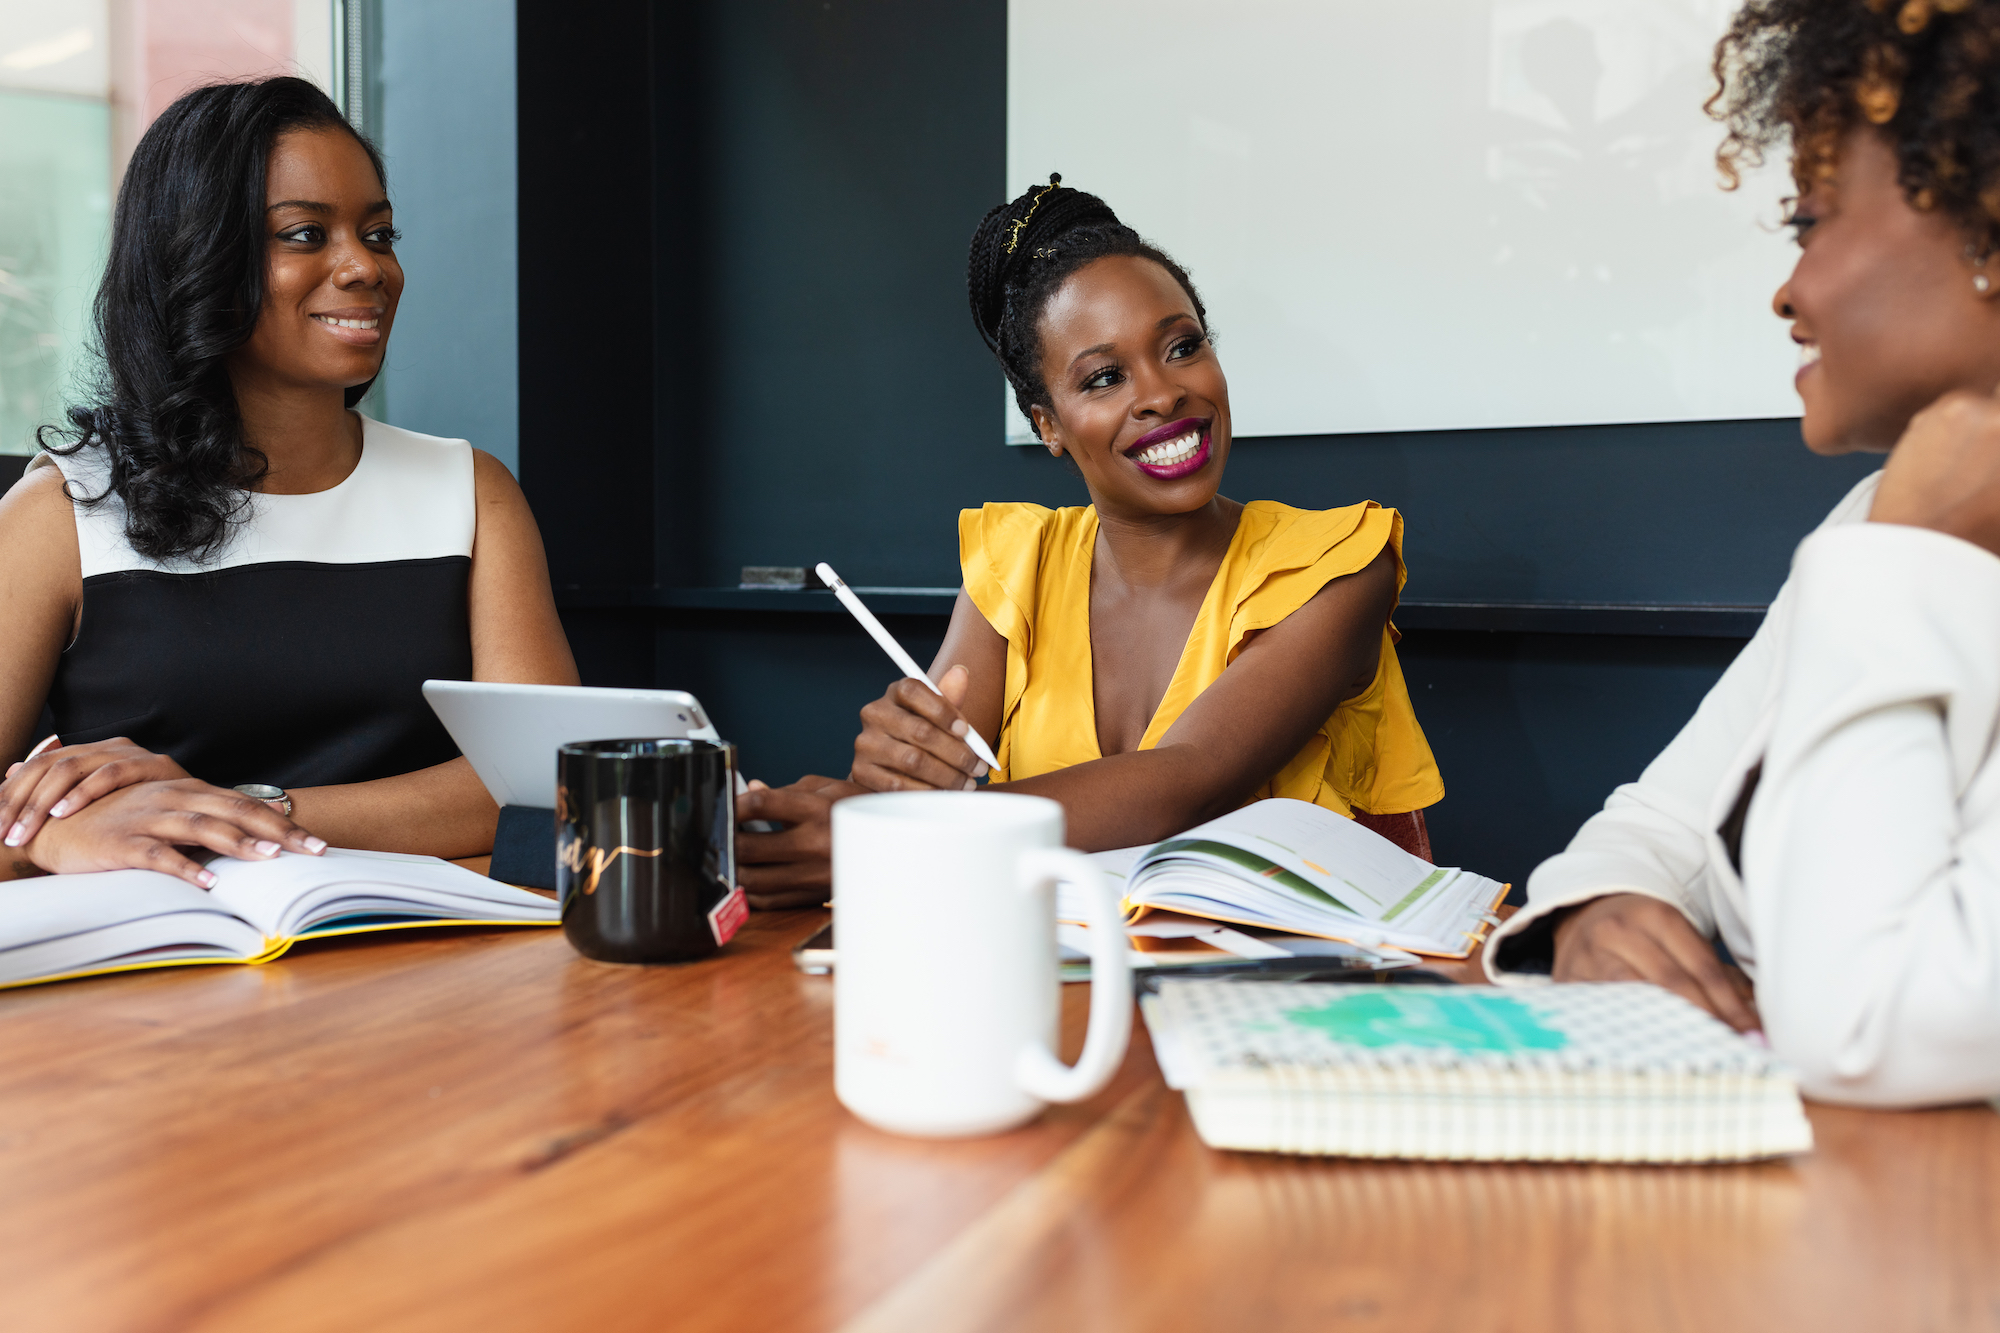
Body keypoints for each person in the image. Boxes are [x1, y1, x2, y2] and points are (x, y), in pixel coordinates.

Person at [1484, 0, 2000, 1107]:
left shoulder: (1891, 540)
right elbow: (1655, 826)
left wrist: (1911, 551)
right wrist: (1591, 912)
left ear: (1982, 227)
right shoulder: (1867, 520)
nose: (1787, 289)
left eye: (1809, 222)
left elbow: (1869, 1030)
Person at [737, 179, 1443, 905]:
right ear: (1048, 424)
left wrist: (893, 837)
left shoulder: (1337, 564)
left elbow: (1185, 780)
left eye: (1182, 346)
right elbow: (924, 783)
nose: (1162, 393)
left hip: (1301, 991)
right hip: (1067, 985)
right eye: (1105, 377)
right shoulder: (1017, 564)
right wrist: (899, 768)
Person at [0, 77, 577, 888]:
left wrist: (229, 810)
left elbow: (546, 779)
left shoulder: (470, 492)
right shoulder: (62, 512)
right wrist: (44, 840)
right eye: (306, 234)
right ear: (196, 258)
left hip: (420, 957)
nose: (365, 267)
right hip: (149, 982)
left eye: (378, 233)